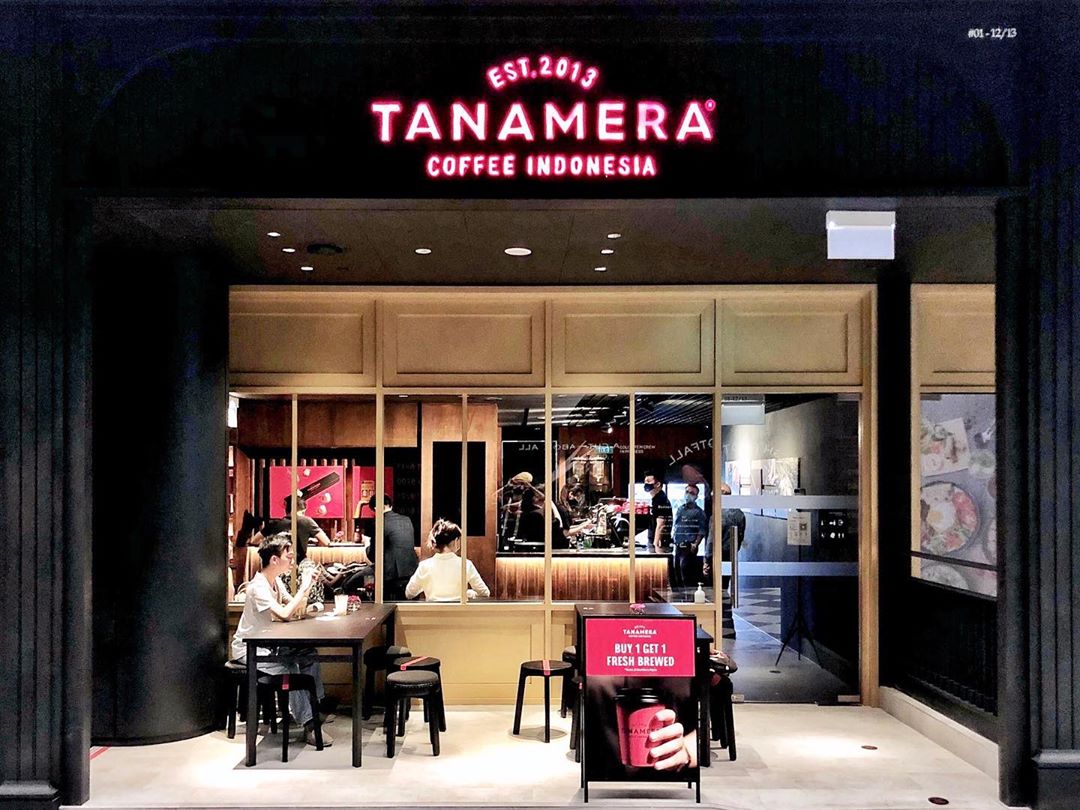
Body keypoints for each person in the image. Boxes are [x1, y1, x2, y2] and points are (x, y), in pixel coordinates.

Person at [229, 533, 333, 747]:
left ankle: (316, 708)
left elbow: (292, 607)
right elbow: (285, 613)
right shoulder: (258, 587)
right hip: (250, 649)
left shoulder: (275, 581)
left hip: (270, 645)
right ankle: (310, 725)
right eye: (289, 556)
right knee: (290, 668)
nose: (292, 561)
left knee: (309, 655)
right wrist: (303, 588)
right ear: (274, 559)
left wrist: (309, 587)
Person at [405, 519, 490, 601]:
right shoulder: (466, 564)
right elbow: (484, 592)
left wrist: (426, 586)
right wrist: (468, 593)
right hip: (459, 611)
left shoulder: (424, 566)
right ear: (455, 541)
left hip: (433, 610)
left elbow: (409, 593)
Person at [369, 494, 419, 600]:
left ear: (376, 508)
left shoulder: (379, 522)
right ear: (390, 505)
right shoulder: (407, 520)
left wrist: (366, 547)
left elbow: (373, 555)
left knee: (354, 582)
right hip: (411, 570)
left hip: (390, 575)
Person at [255, 495, 330, 564]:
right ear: (303, 510)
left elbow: (254, 541)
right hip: (298, 564)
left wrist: (270, 543)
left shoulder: (274, 523)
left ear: (286, 510)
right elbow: (326, 542)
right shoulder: (306, 521)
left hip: (277, 565)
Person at [671, 483, 707, 589]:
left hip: (689, 546)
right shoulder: (680, 509)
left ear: (696, 496)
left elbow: (702, 530)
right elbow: (676, 525)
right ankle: (680, 595)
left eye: (692, 493)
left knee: (686, 573)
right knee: (677, 572)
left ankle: (688, 595)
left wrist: (695, 544)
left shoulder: (699, 512)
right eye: (687, 492)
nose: (688, 494)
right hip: (678, 545)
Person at [642, 471, 672, 554]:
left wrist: (656, 544)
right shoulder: (656, 499)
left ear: (658, 484)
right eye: (645, 482)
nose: (646, 484)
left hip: (660, 543)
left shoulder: (661, 500)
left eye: (648, 481)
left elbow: (661, 524)